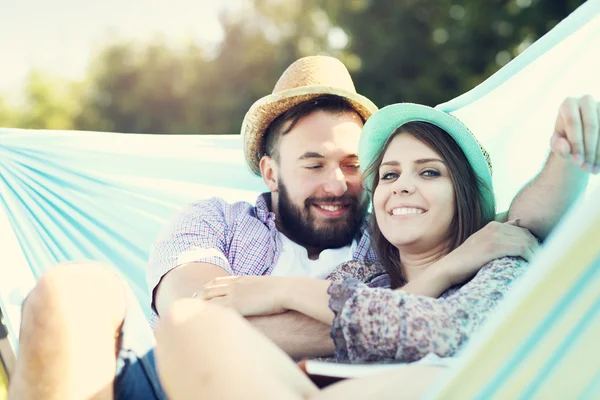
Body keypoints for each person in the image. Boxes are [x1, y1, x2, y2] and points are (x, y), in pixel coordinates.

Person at [7, 55, 596, 399]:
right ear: (270, 170)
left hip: (295, 382)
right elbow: (192, 313)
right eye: (313, 165)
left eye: (353, 165)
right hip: (166, 375)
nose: (338, 184)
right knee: (69, 292)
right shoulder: (217, 220)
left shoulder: (395, 229)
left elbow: (525, 219)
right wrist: (404, 297)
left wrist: (569, 149)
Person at [152, 101, 598, 399]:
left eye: (429, 173)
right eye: (388, 175)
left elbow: (442, 331)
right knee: (191, 327)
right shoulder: (359, 275)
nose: (402, 184)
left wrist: (283, 289)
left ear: (463, 195)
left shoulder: (494, 257)